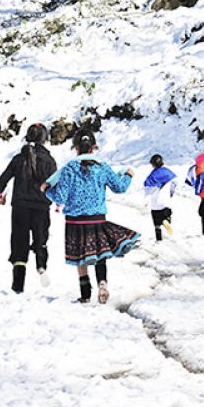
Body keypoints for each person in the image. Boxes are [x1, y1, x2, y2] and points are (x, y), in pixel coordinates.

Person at [41, 129, 139, 304]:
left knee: (81, 258)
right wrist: (128, 175)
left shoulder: (69, 169)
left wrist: (47, 190)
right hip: (97, 219)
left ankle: (85, 294)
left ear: (75, 148)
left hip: (75, 221)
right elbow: (120, 187)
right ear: (93, 147)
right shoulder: (102, 168)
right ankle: (102, 283)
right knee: (100, 255)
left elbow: (60, 198)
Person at [0, 123, 57, 294]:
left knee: (19, 244)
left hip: (20, 208)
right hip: (41, 208)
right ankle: (41, 267)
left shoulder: (18, 159)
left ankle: (18, 286)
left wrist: (1, 194)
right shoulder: (50, 161)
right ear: (44, 139)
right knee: (40, 240)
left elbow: (0, 183)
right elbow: (55, 185)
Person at [144, 154, 176, 241]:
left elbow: (147, 188)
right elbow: (175, 182)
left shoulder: (152, 176)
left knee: (157, 224)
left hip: (155, 203)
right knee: (167, 214)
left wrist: (146, 200)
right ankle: (166, 221)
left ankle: (159, 240)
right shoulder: (168, 172)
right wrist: (171, 193)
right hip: (166, 202)